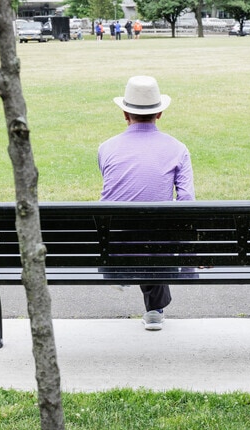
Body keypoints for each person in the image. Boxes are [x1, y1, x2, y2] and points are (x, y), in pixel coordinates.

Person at [97, 76, 195, 331]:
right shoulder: (178, 148)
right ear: (159, 113)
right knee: (159, 226)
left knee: (135, 222)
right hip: (157, 242)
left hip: (115, 240)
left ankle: (119, 270)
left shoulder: (106, 148)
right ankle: (155, 309)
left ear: (124, 113)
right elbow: (186, 201)